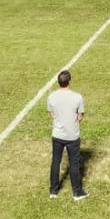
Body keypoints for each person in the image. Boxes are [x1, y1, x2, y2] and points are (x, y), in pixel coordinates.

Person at [45, 69, 87, 201]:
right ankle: (77, 193)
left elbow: (51, 115)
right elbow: (80, 117)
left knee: (55, 162)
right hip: (72, 136)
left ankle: (53, 191)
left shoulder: (51, 96)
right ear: (69, 81)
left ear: (58, 82)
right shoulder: (77, 97)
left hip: (57, 135)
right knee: (74, 164)